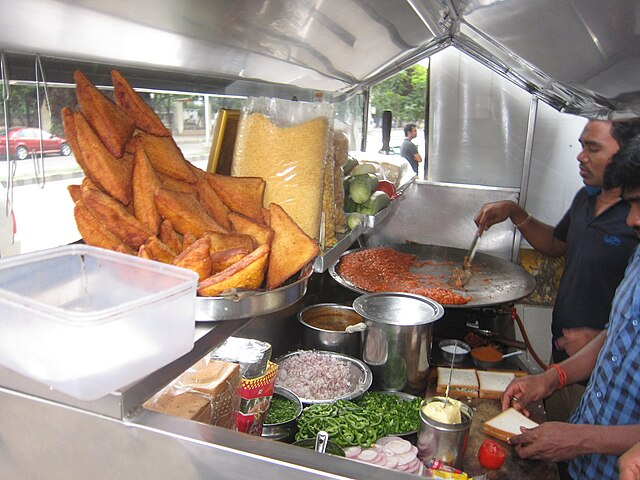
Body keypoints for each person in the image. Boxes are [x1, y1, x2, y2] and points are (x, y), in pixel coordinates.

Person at [474, 120, 640, 424]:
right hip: (563, 361)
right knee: (560, 450)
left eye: (593, 148)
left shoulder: (634, 220)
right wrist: (514, 212)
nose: (581, 156)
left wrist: (605, 341)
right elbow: (555, 244)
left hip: (604, 372)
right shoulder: (585, 199)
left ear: (628, 153)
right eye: (580, 146)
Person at [501, 138, 640, 479]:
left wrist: (579, 439)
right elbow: (618, 334)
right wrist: (551, 379)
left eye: (639, 204)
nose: (633, 219)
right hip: (584, 463)